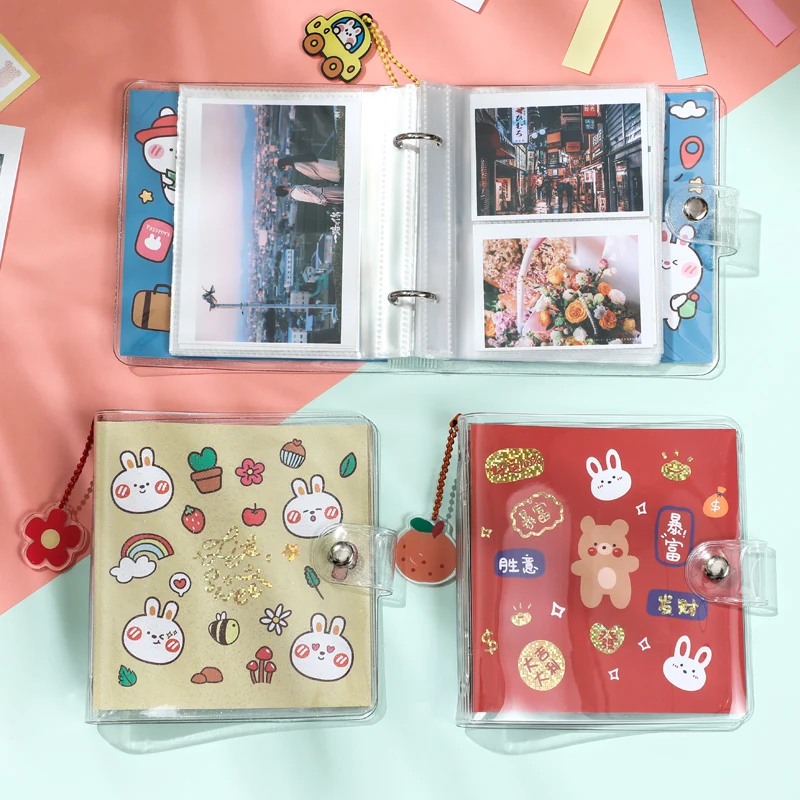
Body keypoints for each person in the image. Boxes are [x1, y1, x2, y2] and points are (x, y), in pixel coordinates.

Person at [276, 184, 344, 206]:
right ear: (284, 188)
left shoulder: (294, 196)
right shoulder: (297, 188)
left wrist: (321, 202)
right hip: (324, 193)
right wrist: (321, 199)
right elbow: (311, 193)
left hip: (325, 200)